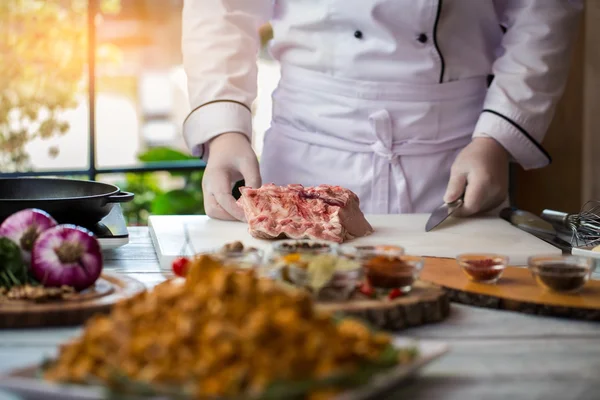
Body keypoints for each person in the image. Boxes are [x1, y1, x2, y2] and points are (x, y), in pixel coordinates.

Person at [181, 0, 582, 221]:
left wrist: (496, 138)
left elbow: (544, 10)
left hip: (453, 156)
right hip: (309, 144)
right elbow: (220, 9)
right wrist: (224, 131)